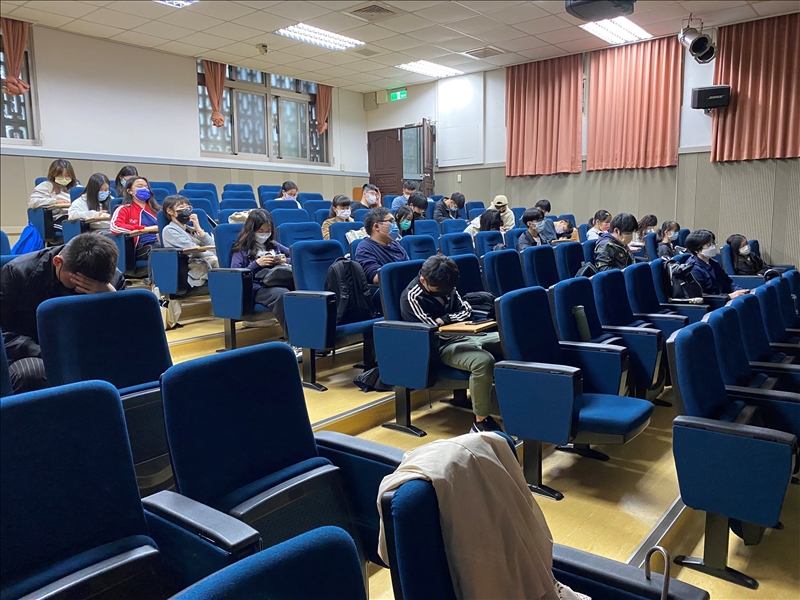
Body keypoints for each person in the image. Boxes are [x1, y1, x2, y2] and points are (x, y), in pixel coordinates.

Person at [0, 233, 125, 393]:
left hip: (89, 351)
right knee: (33, 372)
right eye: (77, 282)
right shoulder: (16, 273)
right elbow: (5, 333)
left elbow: (123, 334)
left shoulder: (109, 278)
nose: (81, 289)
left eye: (89, 286)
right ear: (58, 262)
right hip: (34, 354)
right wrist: (48, 353)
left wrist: (111, 298)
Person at [400, 254, 504, 433]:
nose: (445, 293)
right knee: (483, 361)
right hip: (440, 347)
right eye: (439, 290)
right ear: (424, 280)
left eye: (448, 290)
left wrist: (445, 319)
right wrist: (448, 322)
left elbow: (467, 310)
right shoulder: (412, 297)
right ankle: (481, 421)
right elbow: (431, 330)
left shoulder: (445, 284)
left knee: (509, 341)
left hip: (466, 335)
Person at [230, 209, 294, 338]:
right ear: (251, 230)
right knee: (282, 294)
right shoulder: (241, 249)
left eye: (268, 231)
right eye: (260, 231)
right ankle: (295, 339)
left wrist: (283, 260)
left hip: (278, 280)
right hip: (257, 287)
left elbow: (296, 256)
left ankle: (313, 335)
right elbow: (235, 275)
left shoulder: (273, 245)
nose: (264, 235)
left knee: (302, 291)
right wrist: (257, 264)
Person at [161, 195, 218, 288]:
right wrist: (214, 254)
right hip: (190, 265)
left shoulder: (191, 229)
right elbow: (193, 250)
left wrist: (199, 229)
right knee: (222, 263)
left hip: (205, 260)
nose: (186, 210)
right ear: (170, 211)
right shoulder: (169, 230)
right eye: (181, 207)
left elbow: (213, 245)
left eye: (188, 208)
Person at [110, 176, 160, 276]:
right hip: (140, 246)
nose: (144, 189)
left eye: (146, 187)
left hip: (161, 240)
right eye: (140, 186)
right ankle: (155, 283)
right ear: (129, 191)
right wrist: (143, 229)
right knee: (157, 249)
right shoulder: (124, 209)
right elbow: (115, 227)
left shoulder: (157, 210)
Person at [353, 207, 409, 284]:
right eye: (391, 221)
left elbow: (408, 266)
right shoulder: (364, 248)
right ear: (377, 226)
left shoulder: (395, 244)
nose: (395, 225)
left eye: (394, 222)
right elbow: (376, 277)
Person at [685, 230, 747, 298]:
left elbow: (728, 281)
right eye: (708, 245)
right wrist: (728, 296)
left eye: (713, 243)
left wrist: (738, 290)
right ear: (696, 249)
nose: (713, 246)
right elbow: (701, 296)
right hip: (715, 302)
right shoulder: (693, 269)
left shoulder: (714, 263)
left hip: (724, 298)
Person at [28, 159, 78, 227]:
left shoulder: (77, 188)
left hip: (78, 216)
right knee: (75, 227)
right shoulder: (46, 186)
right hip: (61, 218)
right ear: (53, 175)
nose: (64, 178)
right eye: (60, 176)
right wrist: (55, 201)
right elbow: (32, 202)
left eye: (67, 175)